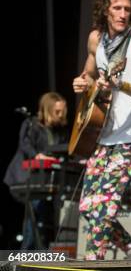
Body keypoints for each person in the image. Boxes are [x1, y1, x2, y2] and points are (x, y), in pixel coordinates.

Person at [72, 0, 131, 260]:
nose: (122, 14)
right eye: (117, 8)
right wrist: (82, 82)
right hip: (104, 133)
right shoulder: (97, 39)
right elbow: (89, 72)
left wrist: (119, 83)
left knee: (104, 204)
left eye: (127, 9)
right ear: (105, 8)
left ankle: (94, 258)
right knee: (87, 207)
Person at [4, 92, 68, 249]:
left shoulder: (59, 130)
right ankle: (26, 252)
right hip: (25, 178)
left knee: (45, 213)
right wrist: (37, 155)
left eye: (62, 112)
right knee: (35, 209)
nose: (60, 115)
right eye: (56, 112)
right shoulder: (31, 124)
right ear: (47, 109)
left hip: (45, 180)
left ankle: (42, 250)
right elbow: (24, 145)